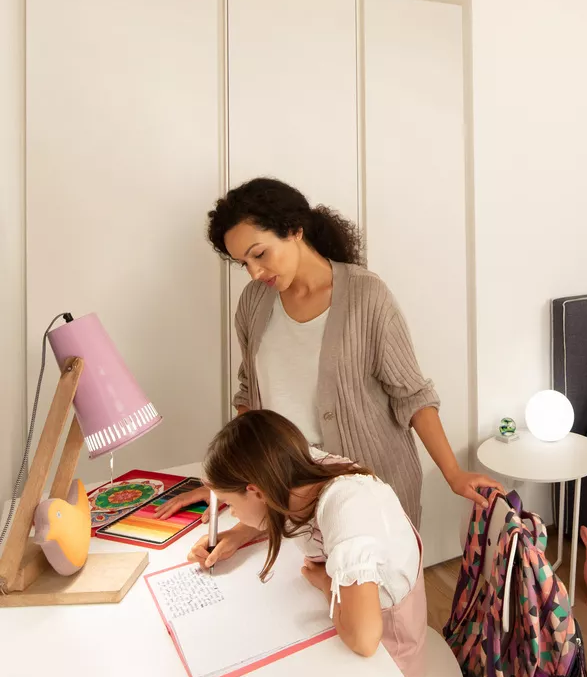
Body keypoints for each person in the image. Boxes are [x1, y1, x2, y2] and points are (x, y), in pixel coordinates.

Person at [158, 177, 493, 529]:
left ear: (294, 230)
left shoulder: (366, 295)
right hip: (289, 490)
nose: (254, 272)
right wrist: (227, 483)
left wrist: (454, 473)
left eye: (259, 254)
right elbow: (250, 397)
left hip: (370, 489)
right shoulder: (254, 303)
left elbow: (411, 395)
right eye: (243, 263)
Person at [189, 410, 428, 677]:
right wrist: (238, 534)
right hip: (356, 610)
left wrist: (327, 584)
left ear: (256, 491)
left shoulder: (346, 509)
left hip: (389, 644)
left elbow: (364, 639)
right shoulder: (295, 467)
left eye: (230, 504)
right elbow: (273, 497)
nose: (232, 513)